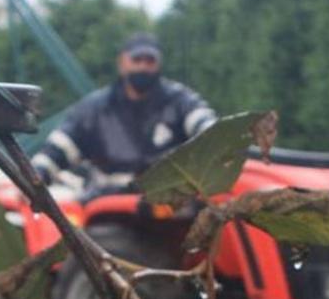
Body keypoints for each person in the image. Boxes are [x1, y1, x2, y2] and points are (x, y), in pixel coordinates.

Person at [31, 32, 217, 199]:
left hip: (170, 205)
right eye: (137, 59)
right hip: (110, 209)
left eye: (150, 60)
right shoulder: (94, 109)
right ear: (122, 62)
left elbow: (207, 126)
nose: (143, 66)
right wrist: (37, 175)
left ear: (159, 64)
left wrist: (232, 146)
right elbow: (60, 146)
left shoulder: (178, 100)